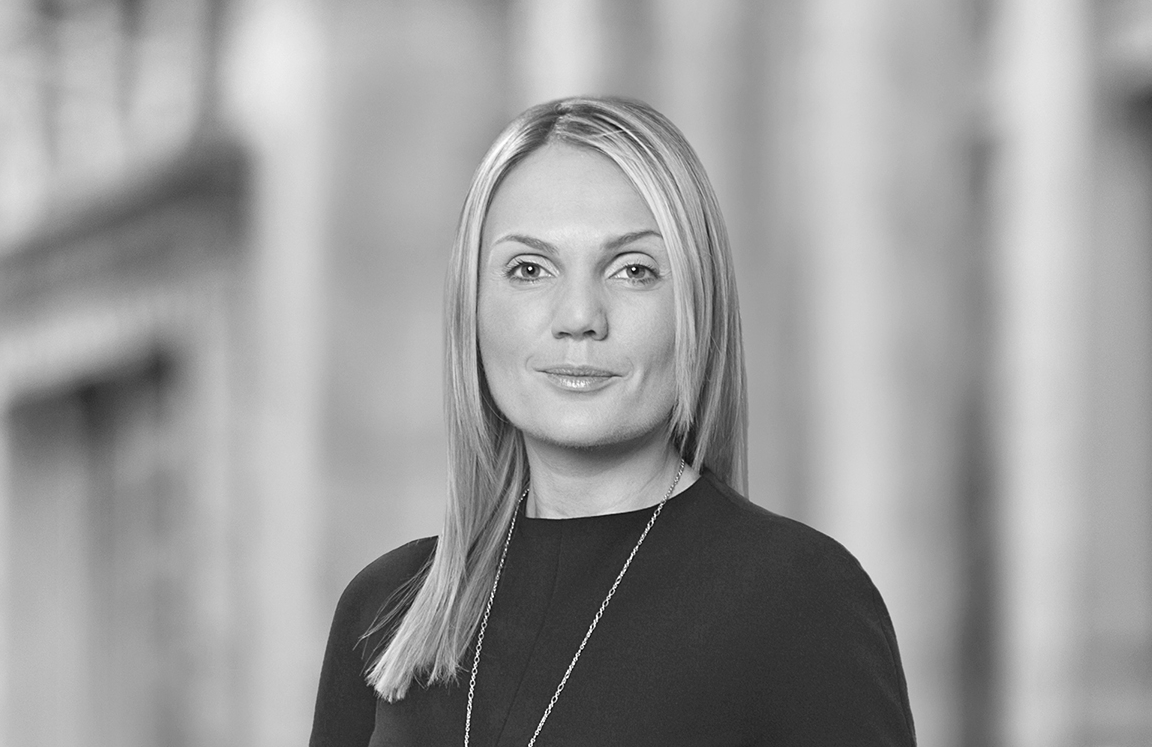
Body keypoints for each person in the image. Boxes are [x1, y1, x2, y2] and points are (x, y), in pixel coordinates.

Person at [310, 96, 916, 746]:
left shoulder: (801, 600)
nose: (579, 317)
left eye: (633, 270)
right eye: (529, 269)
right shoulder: (385, 609)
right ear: (472, 306)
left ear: (697, 305)